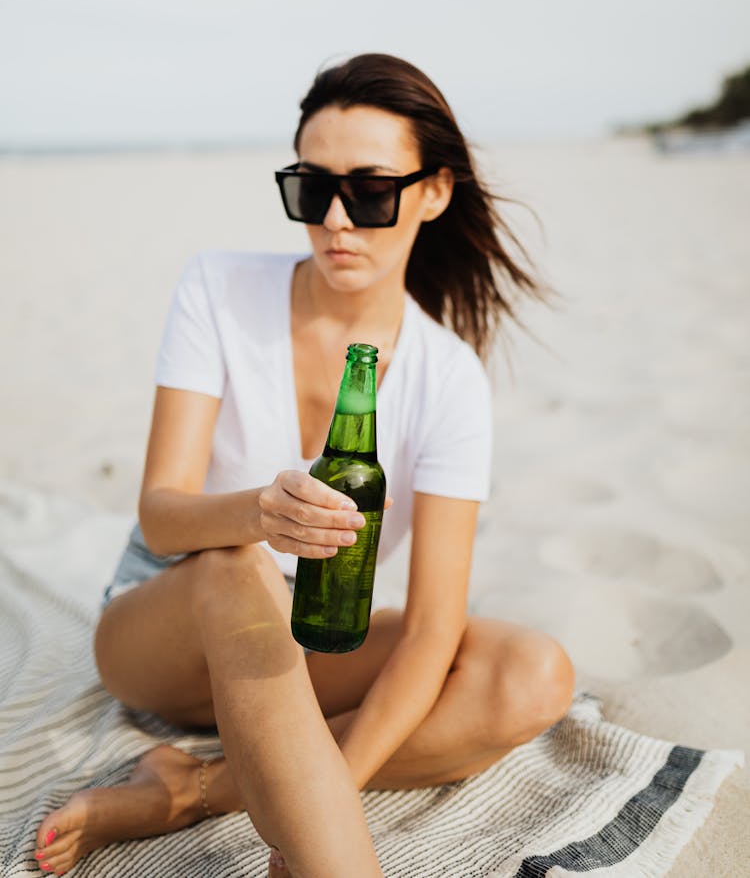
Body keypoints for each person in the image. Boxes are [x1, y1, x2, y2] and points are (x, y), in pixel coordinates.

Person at [34, 53, 575, 878]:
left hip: (305, 638)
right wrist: (258, 512)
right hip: (163, 624)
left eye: (369, 188)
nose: (334, 218)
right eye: (310, 187)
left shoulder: (449, 377)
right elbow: (160, 512)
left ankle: (194, 788)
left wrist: (316, 798)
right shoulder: (218, 287)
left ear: (433, 191)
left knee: (532, 673)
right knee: (235, 564)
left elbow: (432, 626)